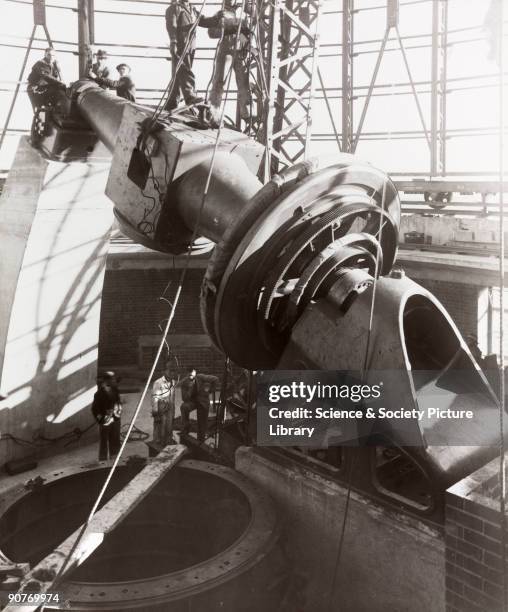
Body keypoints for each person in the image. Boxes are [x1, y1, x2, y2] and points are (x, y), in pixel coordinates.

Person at [164, 0, 218, 112]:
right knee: (185, 70)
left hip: (190, 46)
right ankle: (190, 96)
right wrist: (173, 42)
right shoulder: (175, 8)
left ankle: (171, 102)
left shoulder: (192, 9)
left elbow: (203, 21)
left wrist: (216, 18)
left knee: (178, 74)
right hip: (180, 44)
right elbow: (171, 25)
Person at [208, 0, 253, 126]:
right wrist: (229, 29)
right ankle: (213, 114)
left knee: (244, 83)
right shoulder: (220, 14)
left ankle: (248, 113)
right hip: (226, 53)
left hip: (239, 54)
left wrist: (245, 33)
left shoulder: (242, 18)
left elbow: (248, 36)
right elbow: (211, 33)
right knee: (219, 83)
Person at [179, 367, 219, 443]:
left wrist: (209, 391)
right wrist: (190, 390)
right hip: (192, 401)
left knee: (202, 423)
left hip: (202, 401)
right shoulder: (184, 383)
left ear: (196, 374)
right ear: (187, 375)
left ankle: (200, 440)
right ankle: (185, 430)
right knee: (184, 407)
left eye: (193, 376)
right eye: (189, 376)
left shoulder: (201, 377)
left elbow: (215, 379)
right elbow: (184, 399)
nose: (192, 378)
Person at [91, 371, 122, 461]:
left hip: (115, 420)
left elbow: (118, 403)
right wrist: (102, 419)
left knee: (115, 440)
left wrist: (118, 412)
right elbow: (94, 409)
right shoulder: (99, 394)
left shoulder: (115, 390)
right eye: (112, 379)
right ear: (107, 381)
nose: (114, 381)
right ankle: (103, 461)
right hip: (105, 421)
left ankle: (115, 459)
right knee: (104, 442)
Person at [151, 363, 177, 447]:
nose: (171, 373)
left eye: (173, 371)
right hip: (161, 406)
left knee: (169, 425)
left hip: (170, 406)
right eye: (169, 371)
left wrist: (173, 409)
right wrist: (155, 410)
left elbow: (173, 396)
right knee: (161, 425)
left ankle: (168, 441)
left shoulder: (173, 382)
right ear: (164, 371)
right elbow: (155, 396)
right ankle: (158, 442)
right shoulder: (158, 383)